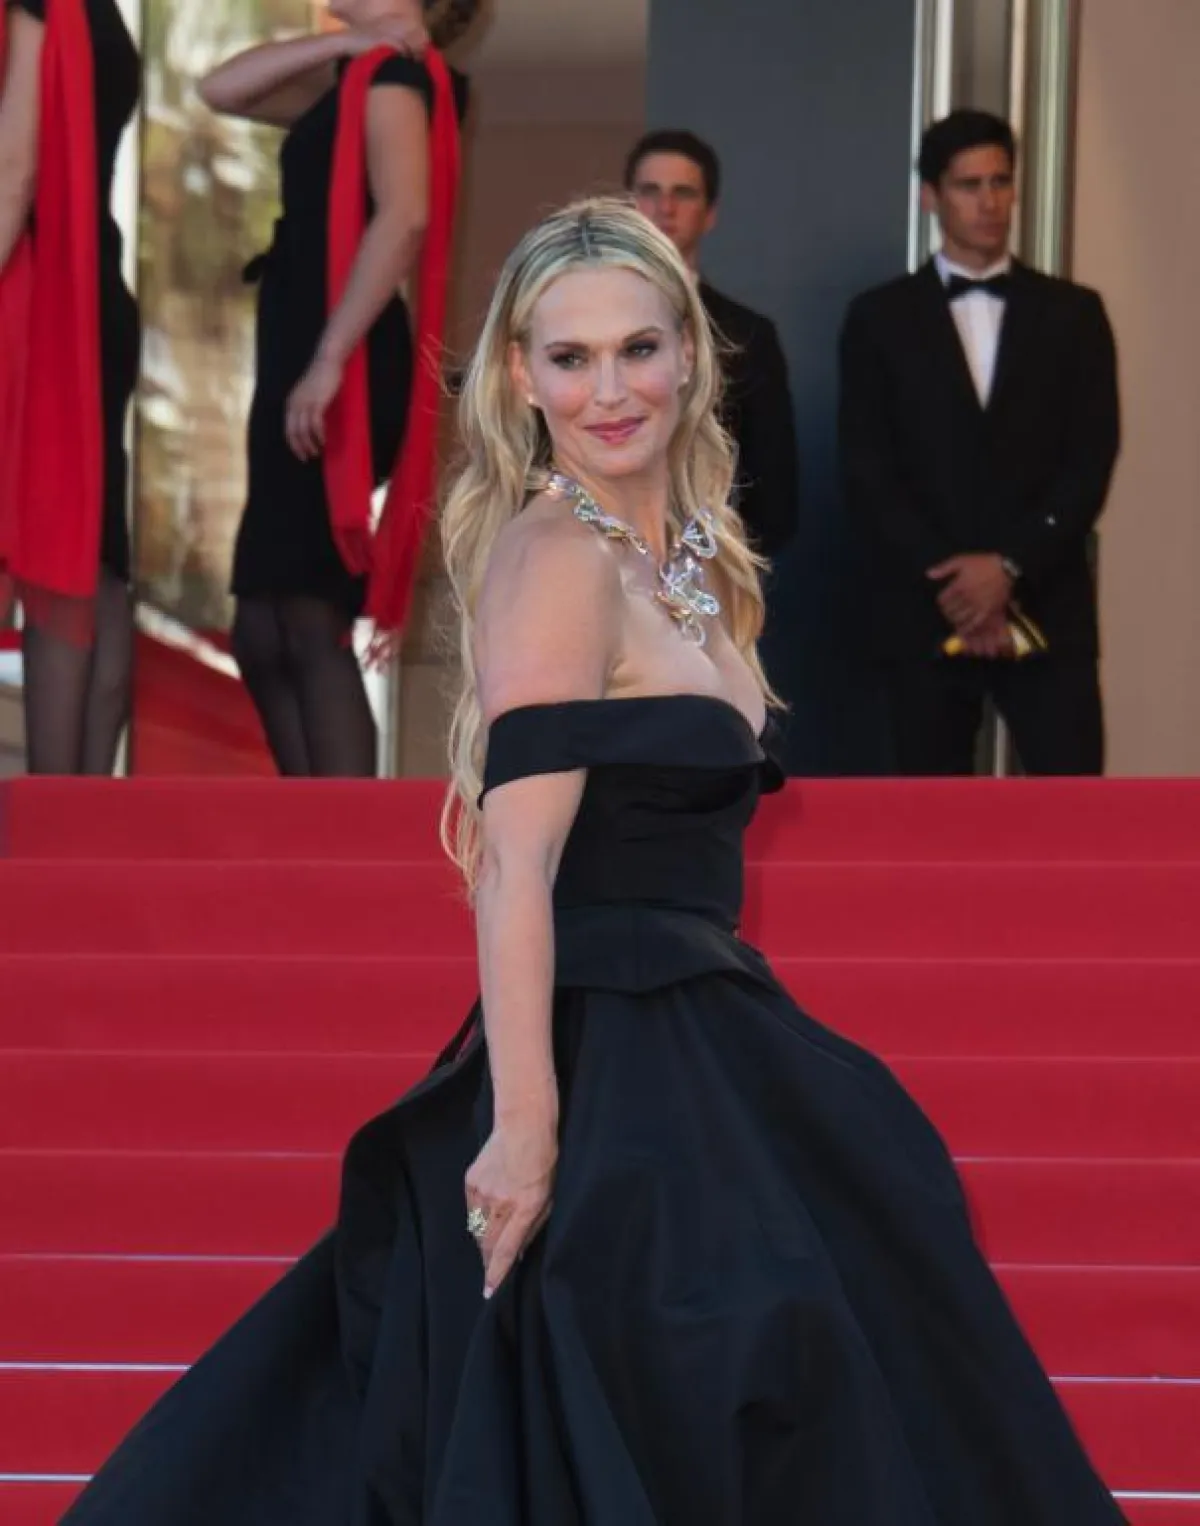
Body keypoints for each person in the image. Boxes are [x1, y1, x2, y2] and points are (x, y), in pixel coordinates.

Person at [61, 198, 1126, 1525]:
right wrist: (525, 1126)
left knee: (799, 1351)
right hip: (610, 1052)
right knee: (717, 1372)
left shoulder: (696, 560)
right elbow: (515, 862)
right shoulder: (559, 556)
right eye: (570, 358)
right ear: (521, 374)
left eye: (637, 348)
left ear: (690, 353)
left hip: (702, 1026)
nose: (610, 390)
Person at [200, 0, 468, 777]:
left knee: (303, 613)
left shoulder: (394, 78)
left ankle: (345, 830)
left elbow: (404, 219)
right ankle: (314, 821)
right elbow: (220, 89)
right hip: (306, 350)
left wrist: (328, 360)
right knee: (265, 624)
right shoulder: (357, 74)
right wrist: (352, 38)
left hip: (337, 358)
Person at [839, 109, 1120, 776]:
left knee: (1075, 811)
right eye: (969, 185)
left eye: (1001, 181)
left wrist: (1010, 567)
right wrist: (958, 583)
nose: (989, 201)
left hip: (1048, 603)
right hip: (924, 609)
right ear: (930, 196)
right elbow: (868, 468)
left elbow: (1091, 460)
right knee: (929, 821)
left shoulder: (1075, 313)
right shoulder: (878, 318)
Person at [0, 0, 140, 773]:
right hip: (86, 292)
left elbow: (12, 173)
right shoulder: (97, 12)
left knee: (55, 542)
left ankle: (51, 814)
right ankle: (74, 814)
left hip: (35, 301)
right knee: (88, 556)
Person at [625, 127, 800, 558]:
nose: (665, 208)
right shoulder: (582, 319)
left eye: (683, 193)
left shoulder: (749, 334)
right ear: (628, 204)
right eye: (650, 191)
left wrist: (719, 568)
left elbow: (774, 492)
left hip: (708, 569)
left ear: (710, 213)